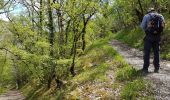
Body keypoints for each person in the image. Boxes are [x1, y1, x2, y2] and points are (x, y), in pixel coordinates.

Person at [140, 8, 165, 73]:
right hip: (158, 37)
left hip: (149, 37)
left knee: (147, 52)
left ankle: (145, 69)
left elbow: (142, 26)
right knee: (156, 52)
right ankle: (157, 68)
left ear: (149, 11)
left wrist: (148, 29)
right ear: (155, 10)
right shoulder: (161, 16)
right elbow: (163, 26)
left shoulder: (146, 16)